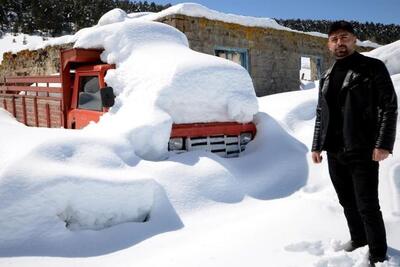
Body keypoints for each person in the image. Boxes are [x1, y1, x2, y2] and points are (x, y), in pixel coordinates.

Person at [311, 20, 397, 265]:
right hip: (335, 150)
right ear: (329, 44)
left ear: (354, 40)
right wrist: (317, 145)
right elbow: (321, 113)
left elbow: (389, 106)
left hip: (363, 148)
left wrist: (383, 143)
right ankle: (359, 239)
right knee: (346, 200)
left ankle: (379, 254)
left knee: (367, 204)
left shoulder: (372, 67)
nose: (340, 42)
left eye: (345, 37)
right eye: (335, 38)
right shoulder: (327, 76)